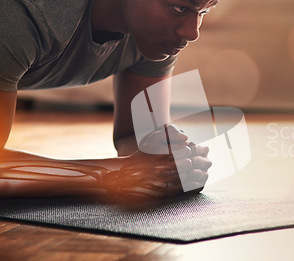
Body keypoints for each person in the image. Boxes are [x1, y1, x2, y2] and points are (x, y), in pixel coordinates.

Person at [0, 0, 217, 200]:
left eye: (204, 10)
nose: (191, 32)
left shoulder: (156, 36)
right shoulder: (23, 15)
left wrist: (173, 163)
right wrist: (115, 174)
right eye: (180, 8)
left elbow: (137, 138)